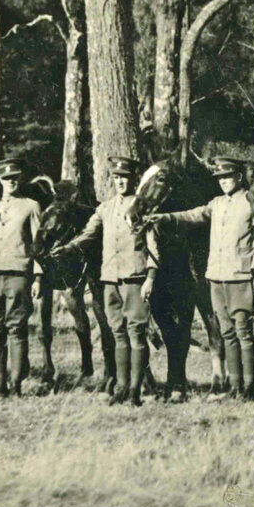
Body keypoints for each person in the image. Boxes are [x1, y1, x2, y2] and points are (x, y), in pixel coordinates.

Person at [146, 157, 254, 398]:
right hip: (216, 277)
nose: (223, 182)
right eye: (220, 179)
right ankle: (234, 385)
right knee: (227, 332)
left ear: (239, 177)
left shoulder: (251, 202)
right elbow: (194, 215)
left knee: (243, 332)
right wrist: (165, 217)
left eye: (227, 177)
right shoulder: (217, 203)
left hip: (240, 275)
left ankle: (250, 387)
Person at [50, 156, 158, 405]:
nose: (121, 182)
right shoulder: (105, 209)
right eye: (117, 178)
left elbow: (154, 248)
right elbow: (88, 235)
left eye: (126, 178)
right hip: (110, 279)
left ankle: (135, 390)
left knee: (136, 334)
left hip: (135, 277)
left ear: (133, 180)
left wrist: (151, 276)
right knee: (118, 332)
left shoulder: (143, 208)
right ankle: (120, 386)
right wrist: (67, 248)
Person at [0, 157, 41, 397]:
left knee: (16, 328)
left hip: (18, 272)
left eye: (14, 177)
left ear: (20, 178)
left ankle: (16, 384)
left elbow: (38, 244)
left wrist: (38, 277)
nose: (10, 181)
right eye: (5, 178)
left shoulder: (30, 206)